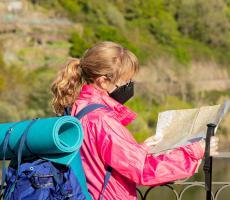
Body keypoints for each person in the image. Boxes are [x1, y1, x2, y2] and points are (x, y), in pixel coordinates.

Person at [50, 41, 219, 200]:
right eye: (125, 81)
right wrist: (194, 151)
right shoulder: (102, 119)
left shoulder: (77, 107)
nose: (129, 85)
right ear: (103, 81)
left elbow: (99, 158)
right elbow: (142, 170)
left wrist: (141, 149)